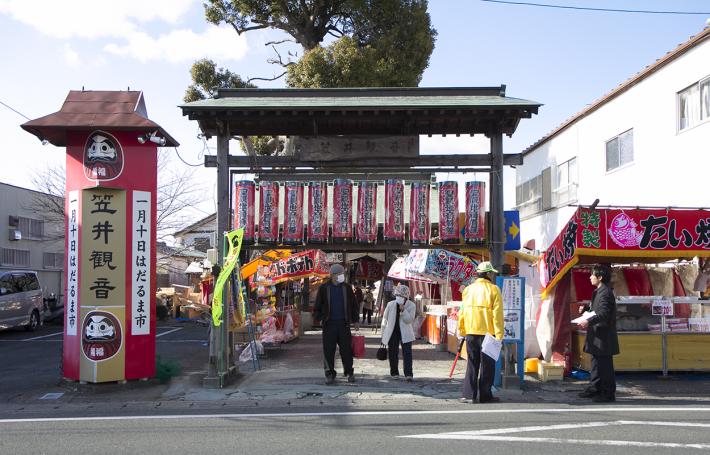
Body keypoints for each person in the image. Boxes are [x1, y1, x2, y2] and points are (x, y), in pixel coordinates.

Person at [458, 261, 504, 404]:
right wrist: (499, 335)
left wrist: (463, 331)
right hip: (488, 334)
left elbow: (462, 313)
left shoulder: (468, 290)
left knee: (472, 364)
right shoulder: (494, 290)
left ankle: (469, 395)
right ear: (489, 274)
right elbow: (497, 315)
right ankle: (485, 395)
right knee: (487, 366)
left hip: (471, 332)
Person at [576, 265, 619, 403]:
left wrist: (588, 321)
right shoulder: (598, 291)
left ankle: (607, 394)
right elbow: (596, 309)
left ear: (600, 277)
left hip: (604, 336)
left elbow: (604, 313)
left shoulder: (605, 293)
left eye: (592, 275)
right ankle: (595, 388)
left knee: (604, 366)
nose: (590, 277)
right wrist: (586, 309)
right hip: (597, 335)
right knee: (596, 364)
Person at [313, 264, 360, 384]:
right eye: (340, 274)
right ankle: (329, 374)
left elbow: (354, 305)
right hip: (329, 325)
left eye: (342, 274)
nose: (342, 276)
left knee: (347, 350)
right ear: (333, 275)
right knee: (328, 350)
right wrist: (320, 318)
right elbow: (317, 305)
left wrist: (355, 320)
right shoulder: (324, 288)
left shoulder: (347, 288)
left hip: (344, 324)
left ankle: (349, 372)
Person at [380, 284, 416, 381]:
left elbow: (409, 320)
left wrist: (403, 310)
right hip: (392, 332)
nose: (399, 298)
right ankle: (394, 372)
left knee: (407, 353)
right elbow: (385, 319)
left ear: (406, 297)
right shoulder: (390, 304)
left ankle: (408, 374)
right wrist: (383, 334)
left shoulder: (411, 305)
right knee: (393, 352)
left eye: (402, 296)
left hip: (406, 333)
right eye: (398, 296)